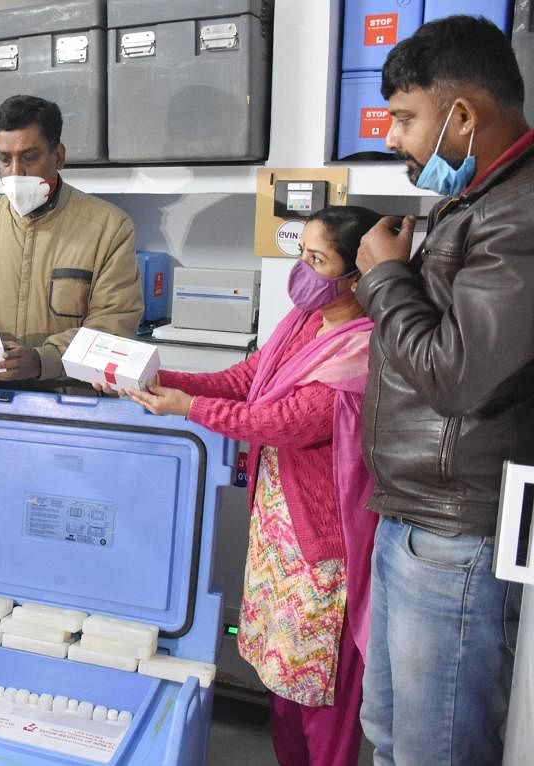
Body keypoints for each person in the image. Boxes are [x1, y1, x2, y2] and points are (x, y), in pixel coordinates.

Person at [124, 206, 382, 766]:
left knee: (321, 695)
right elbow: (245, 381)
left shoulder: (363, 348)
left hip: (323, 552)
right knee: (283, 682)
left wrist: (189, 408)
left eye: (317, 259)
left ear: (360, 274)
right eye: (301, 254)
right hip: (278, 537)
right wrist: (157, 377)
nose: (302, 272)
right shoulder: (304, 324)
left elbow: (284, 421)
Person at [353, 15, 531, 765]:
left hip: (458, 532)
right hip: (417, 515)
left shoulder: (519, 213)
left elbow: (459, 376)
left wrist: (383, 276)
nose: (392, 137)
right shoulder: (474, 199)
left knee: (436, 752)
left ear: (462, 115)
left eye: (404, 117)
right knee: (389, 737)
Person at [0, 94, 142, 388]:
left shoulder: (108, 228)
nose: (16, 172)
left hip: (72, 406)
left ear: (58, 156)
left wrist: (43, 359)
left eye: (29, 157)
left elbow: (114, 326)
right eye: (5, 159)